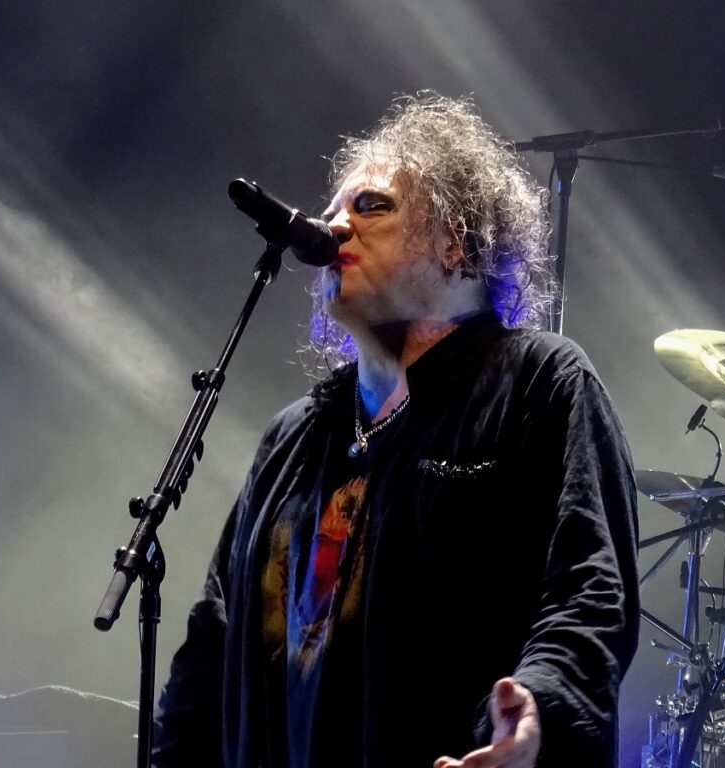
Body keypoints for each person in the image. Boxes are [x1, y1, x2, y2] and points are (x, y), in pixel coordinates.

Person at [153, 92, 639, 768]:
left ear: (455, 240)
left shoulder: (539, 383)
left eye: (371, 206)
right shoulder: (294, 438)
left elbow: (589, 588)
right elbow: (212, 649)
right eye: (330, 211)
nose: (334, 227)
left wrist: (538, 706)